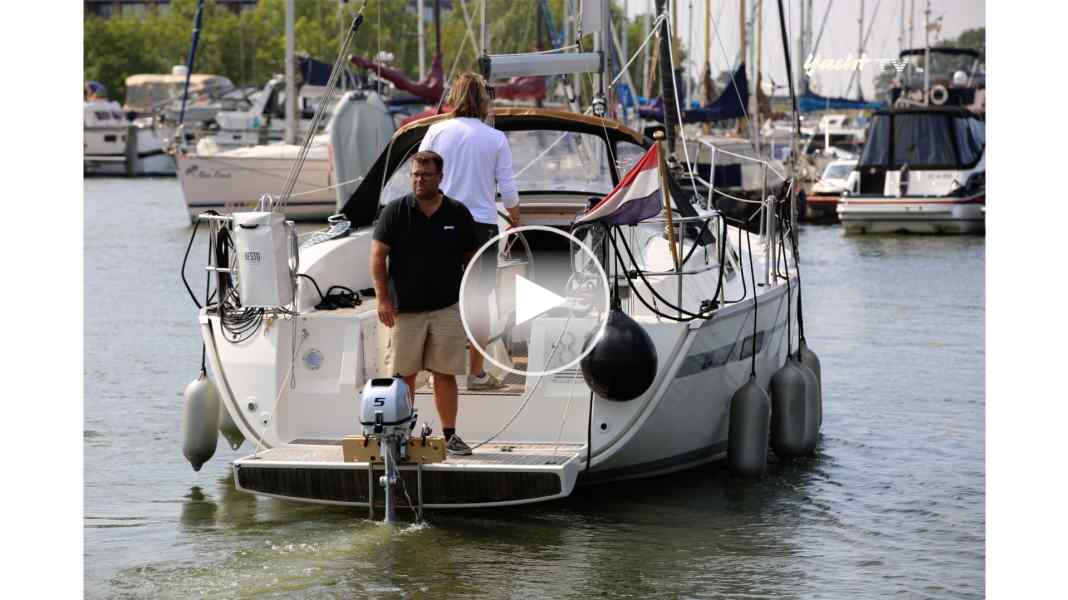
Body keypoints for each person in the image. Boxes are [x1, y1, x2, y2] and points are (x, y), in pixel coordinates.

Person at [370, 150, 478, 456]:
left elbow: (473, 262)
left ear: (440, 178)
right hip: (405, 310)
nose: (419, 180)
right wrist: (382, 300)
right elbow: (377, 258)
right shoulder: (395, 211)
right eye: (415, 175)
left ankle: (450, 436)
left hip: (446, 307)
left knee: (444, 374)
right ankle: (402, 435)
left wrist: (471, 303)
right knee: (404, 376)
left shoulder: (457, 213)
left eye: (425, 175)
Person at [419, 71, 520, 391]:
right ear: (484, 101)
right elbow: (508, 190)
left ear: (453, 98)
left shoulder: (436, 131)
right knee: (477, 302)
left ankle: (439, 371)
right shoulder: (495, 139)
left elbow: (419, 172)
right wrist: (516, 221)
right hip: (480, 227)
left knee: (439, 298)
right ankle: (476, 374)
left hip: (437, 222)